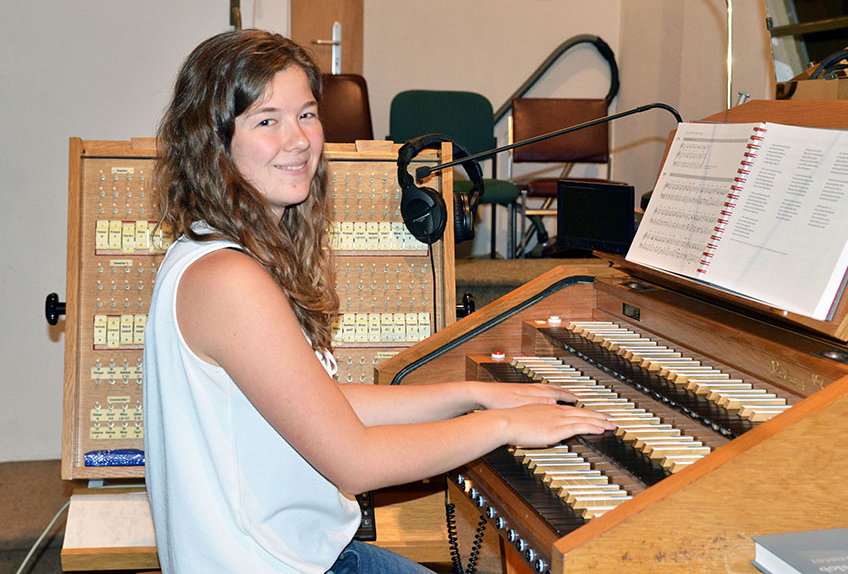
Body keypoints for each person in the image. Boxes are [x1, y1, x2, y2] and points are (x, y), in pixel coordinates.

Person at [143, 28, 615, 574]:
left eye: (307, 114)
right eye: (267, 120)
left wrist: (473, 396)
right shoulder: (227, 279)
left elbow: (320, 405)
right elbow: (355, 463)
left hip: (312, 555)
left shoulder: (216, 250)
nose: (298, 140)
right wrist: (505, 427)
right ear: (212, 142)